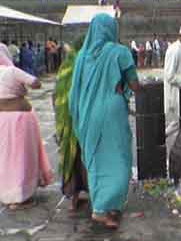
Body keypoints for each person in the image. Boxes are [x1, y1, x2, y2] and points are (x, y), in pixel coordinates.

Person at [69, 14, 140, 229]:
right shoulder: (120, 52)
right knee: (119, 160)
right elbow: (135, 85)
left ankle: (105, 206)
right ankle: (102, 210)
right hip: (112, 112)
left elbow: (76, 90)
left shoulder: (81, 57)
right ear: (112, 30)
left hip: (88, 114)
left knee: (97, 161)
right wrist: (126, 88)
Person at [0, 43, 54, 210]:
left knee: (6, 156)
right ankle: (21, 194)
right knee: (22, 156)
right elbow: (36, 83)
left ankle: (8, 192)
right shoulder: (12, 71)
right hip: (21, 119)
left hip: (2, 118)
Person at [54, 34, 88, 212]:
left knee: (70, 156)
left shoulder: (64, 67)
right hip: (81, 120)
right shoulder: (83, 65)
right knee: (85, 157)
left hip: (65, 122)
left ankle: (73, 198)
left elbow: (56, 96)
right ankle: (91, 195)